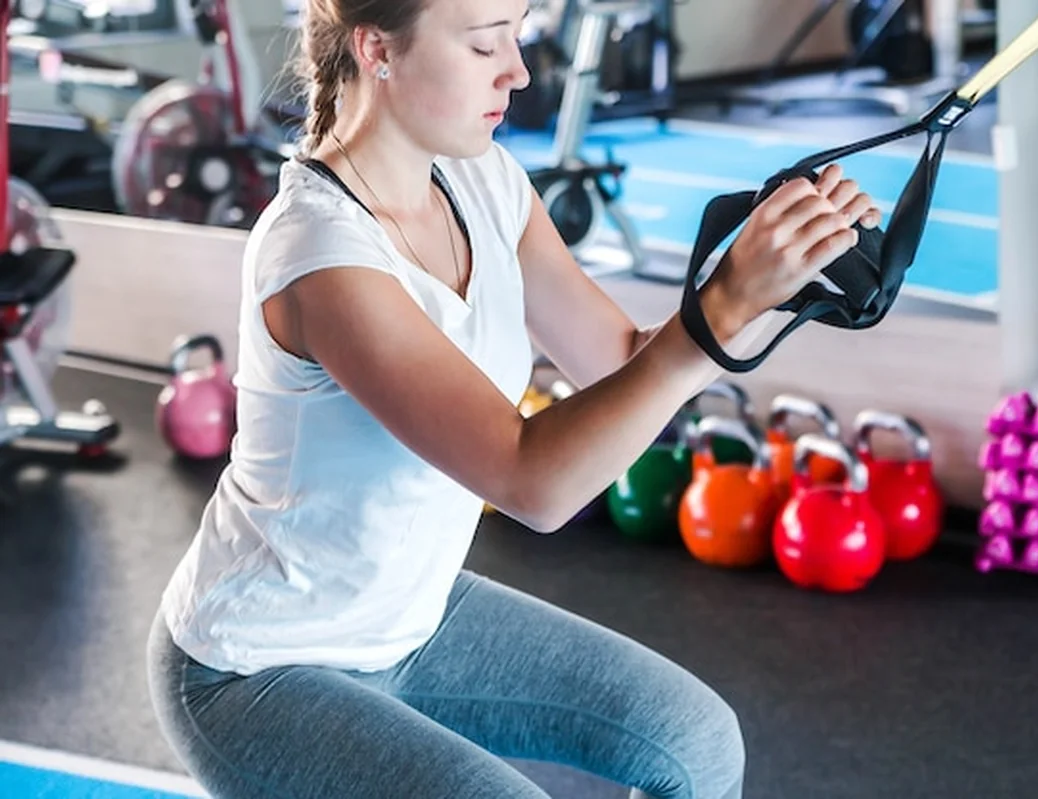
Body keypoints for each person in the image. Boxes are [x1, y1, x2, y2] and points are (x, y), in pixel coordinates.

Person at [145, 0, 882, 797]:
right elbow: (533, 480)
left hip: (409, 618)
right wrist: (720, 313)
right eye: (483, 43)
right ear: (376, 50)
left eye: (517, 35)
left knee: (694, 742)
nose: (519, 70)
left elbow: (621, 364)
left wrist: (770, 280)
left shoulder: (483, 181)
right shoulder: (321, 253)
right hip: (258, 666)